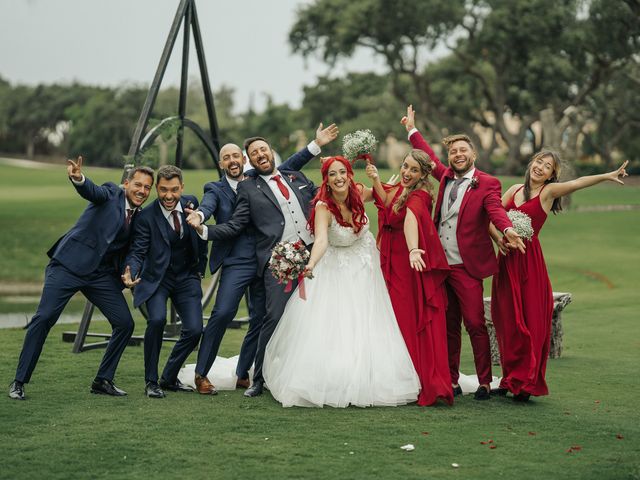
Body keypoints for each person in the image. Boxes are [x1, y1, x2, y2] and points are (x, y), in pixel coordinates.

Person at [182, 123, 338, 395]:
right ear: (222, 163)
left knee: (261, 318)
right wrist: (201, 222)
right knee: (224, 313)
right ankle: (202, 374)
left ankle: (245, 373)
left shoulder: (265, 174)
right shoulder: (228, 187)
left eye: (238, 157)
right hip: (242, 261)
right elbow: (213, 209)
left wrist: (316, 145)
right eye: (227, 157)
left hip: (278, 257)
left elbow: (288, 165)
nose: (234, 161)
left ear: (245, 161)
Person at [263, 156, 420, 407]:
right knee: (338, 322)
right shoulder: (323, 207)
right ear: (326, 179)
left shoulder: (358, 191)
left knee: (370, 319)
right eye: (332, 174)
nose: (338, 178)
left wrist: (379, 181)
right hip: (336, 268)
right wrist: (311, 264)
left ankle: (374, 375)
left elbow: (384, 196)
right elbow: (322, 240)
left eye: (342, 172)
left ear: (349, 174)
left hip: (366, 265)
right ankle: (337, 378)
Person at [402, 105, 525, 400]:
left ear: (473, 155)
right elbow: (428, 157)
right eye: (453, 151)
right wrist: (411, 130)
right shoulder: (444, 177)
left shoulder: (488, 183)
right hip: (441, 264)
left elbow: (495, 209)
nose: (457, 154)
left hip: (467, 266)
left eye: (462, 150)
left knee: (474, 323)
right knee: (448, 325)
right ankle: (451, 379)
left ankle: (484, 381)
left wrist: (507, 230)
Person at [9, 157, 154, 400]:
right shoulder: (110, 193)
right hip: (69, 265)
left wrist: (130, 271)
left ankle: (103, 380)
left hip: (99, 276)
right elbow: (92, 191)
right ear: (127, 184)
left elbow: (136, 251)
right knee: (44, 318)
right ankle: (19, 381)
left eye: (147, 187)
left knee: (125, 323)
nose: (142, 191)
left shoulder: (140, 218)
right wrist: (78, 178)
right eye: (138, 185)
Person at [490, 152, 629, 402]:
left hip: (529, 266)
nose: (540, 168)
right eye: (538, 162)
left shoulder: (548, 192)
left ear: (552, 175)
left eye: (547, 166)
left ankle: (527, 384)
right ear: (531, 163)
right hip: (506, 264)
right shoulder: (513, 190)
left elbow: (577, 183)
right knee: (507, 322)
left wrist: (607, 175)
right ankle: (509, 379)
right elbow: (491, 215)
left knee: (530, 323)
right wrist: (498, 238)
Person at [366, 150, 453, 406]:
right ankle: (401, 376)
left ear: (424, 175)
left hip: (407, 263)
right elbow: (390, 208)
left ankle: (418, 378)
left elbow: (410, 218)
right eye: (405, 166)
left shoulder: (420, 194)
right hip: (391, 259)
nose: (406, 173)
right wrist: (375, 181)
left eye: (414, 170)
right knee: (392, 317)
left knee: (406, 318)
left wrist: (414, 248)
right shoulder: (403, 188)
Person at [122, 165, 208, 399]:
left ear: (181, 188)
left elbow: (200, 238)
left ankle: (168, 377)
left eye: (173, 190)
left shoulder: (191, 203)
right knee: (157, 320)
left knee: (194, 329)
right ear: (157, 189)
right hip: (156, 279)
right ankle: (151, 381)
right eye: (162, 190)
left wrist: (200, 269)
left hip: (186, 276)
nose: (168, 196)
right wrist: (131, 271)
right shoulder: (146, 216)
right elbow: (138, 251)